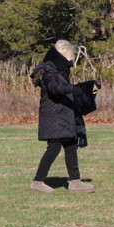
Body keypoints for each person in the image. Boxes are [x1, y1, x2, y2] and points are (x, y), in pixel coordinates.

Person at [29, 40, 96, 193]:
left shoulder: (58, 71)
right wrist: (74, 89)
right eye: (70, 55)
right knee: (53, 148)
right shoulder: (50, 71)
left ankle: (75, 181)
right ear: (63, 55)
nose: (72, 59)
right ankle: (38, 182)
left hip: (63, 117)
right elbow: (55, 88)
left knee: (71, 146)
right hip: (55, 118)